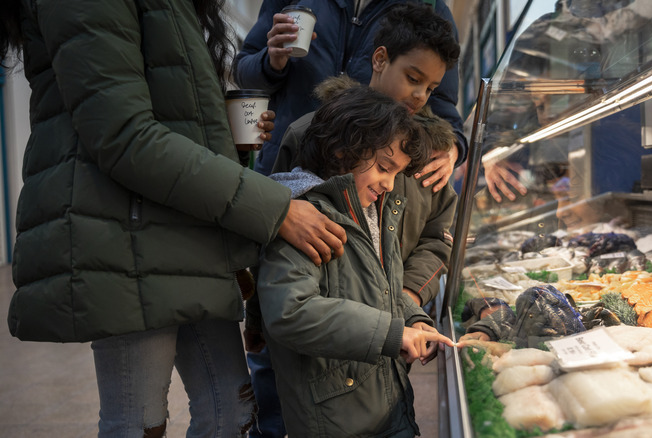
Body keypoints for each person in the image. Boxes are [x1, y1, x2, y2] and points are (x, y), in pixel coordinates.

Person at [1, 1, 346, 437]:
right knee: (139, 424)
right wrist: (275, 209)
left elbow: (162, 115)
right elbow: (124, 136)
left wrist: (223, 132)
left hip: (185, 225)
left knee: (234, 417)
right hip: (122, 233)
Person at [255, 83, 455, 437]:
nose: (389, 184)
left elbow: (384, 288)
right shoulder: (305, 219)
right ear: (340, 150)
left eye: (396, 174)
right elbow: (290, 312)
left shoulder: (373, 212)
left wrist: (414, 319)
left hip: (384, 403)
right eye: (383, 167)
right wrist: (393, 334)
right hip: (336, 419)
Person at [233, 0, 466, 192]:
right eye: (413, 79)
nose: (421, 94)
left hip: (358, 184)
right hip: (281, 166)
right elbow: (243, 71)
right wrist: (272, 60)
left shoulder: (430, 7)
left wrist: (453, 149)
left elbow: (444, 112)